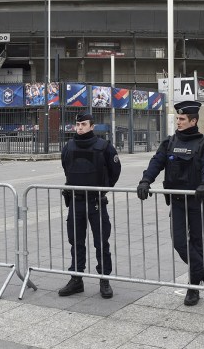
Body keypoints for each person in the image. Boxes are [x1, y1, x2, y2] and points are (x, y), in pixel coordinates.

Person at [136, 100, 204, 306]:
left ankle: (193, 288)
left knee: (197, 243)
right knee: (180, 243)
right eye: (177, 119)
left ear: (194, 120)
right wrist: (146, 180)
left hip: (198, 201)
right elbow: (156, 162)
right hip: (177, 202)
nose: (178, 122)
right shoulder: (170, 142)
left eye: (182, 119)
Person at [58, 111, 122, 298]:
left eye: (84, 124)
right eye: (78, 125)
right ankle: (76, 279)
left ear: (92, 126)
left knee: (101, 242)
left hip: (96, 202)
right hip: (76, 201)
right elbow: (66, 167)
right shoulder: (69, 146)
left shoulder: (104, 147)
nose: (80, 128)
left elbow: (115, 171)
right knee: (75, 242)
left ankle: (104, 280)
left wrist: (102, 190)